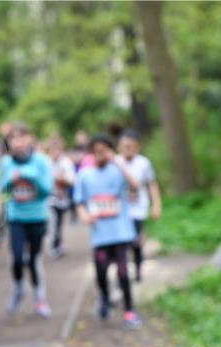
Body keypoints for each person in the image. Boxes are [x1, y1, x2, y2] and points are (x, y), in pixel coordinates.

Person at [73, 134, 142, 329]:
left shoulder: (118, 171)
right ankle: (104, 298)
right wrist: (85, 216)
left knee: (122, 273)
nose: (100, 155)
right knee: (101, 273)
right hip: (100, 235)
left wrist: (118, 162)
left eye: (104, 151)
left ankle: (130, 311)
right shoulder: (85, 175)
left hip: (121, 232)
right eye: (96, 152)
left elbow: (135, 186)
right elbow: (79, 202)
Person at [0, 122, 54, 318]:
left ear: (30, 139)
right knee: (17, 258)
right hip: (16, 218)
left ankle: (40, 298)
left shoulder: (42, 161)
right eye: (14, 138)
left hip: (37, 217)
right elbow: (1, 192)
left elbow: (47, 191)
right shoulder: (5, 163)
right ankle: (18, 289)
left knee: (34, 260)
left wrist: (31, 176)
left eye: (22, 137)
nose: (18, 142)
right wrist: (11, 180)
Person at [117, 130, 162, 282]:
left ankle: (137, 271)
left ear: (137, 147)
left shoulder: (144, 163)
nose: (127, 149)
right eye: (124, 146)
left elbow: (152, 184)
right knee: (122, 244)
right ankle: (122, 274)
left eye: (130, 146)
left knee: (136, 243)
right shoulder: (116, 162)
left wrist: (156, 205)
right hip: (121, 210)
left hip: (138, 209)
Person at [46, 134, 76, 259]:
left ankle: (58, 244)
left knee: (58, 223)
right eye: (54, 149)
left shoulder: (66, 162)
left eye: (58, 149)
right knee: (53, 222)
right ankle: (53, 246)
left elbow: (72, 181)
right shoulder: (45, 162)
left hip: (62, 200)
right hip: (49, 200)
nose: (56, 152)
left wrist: (62, 180)